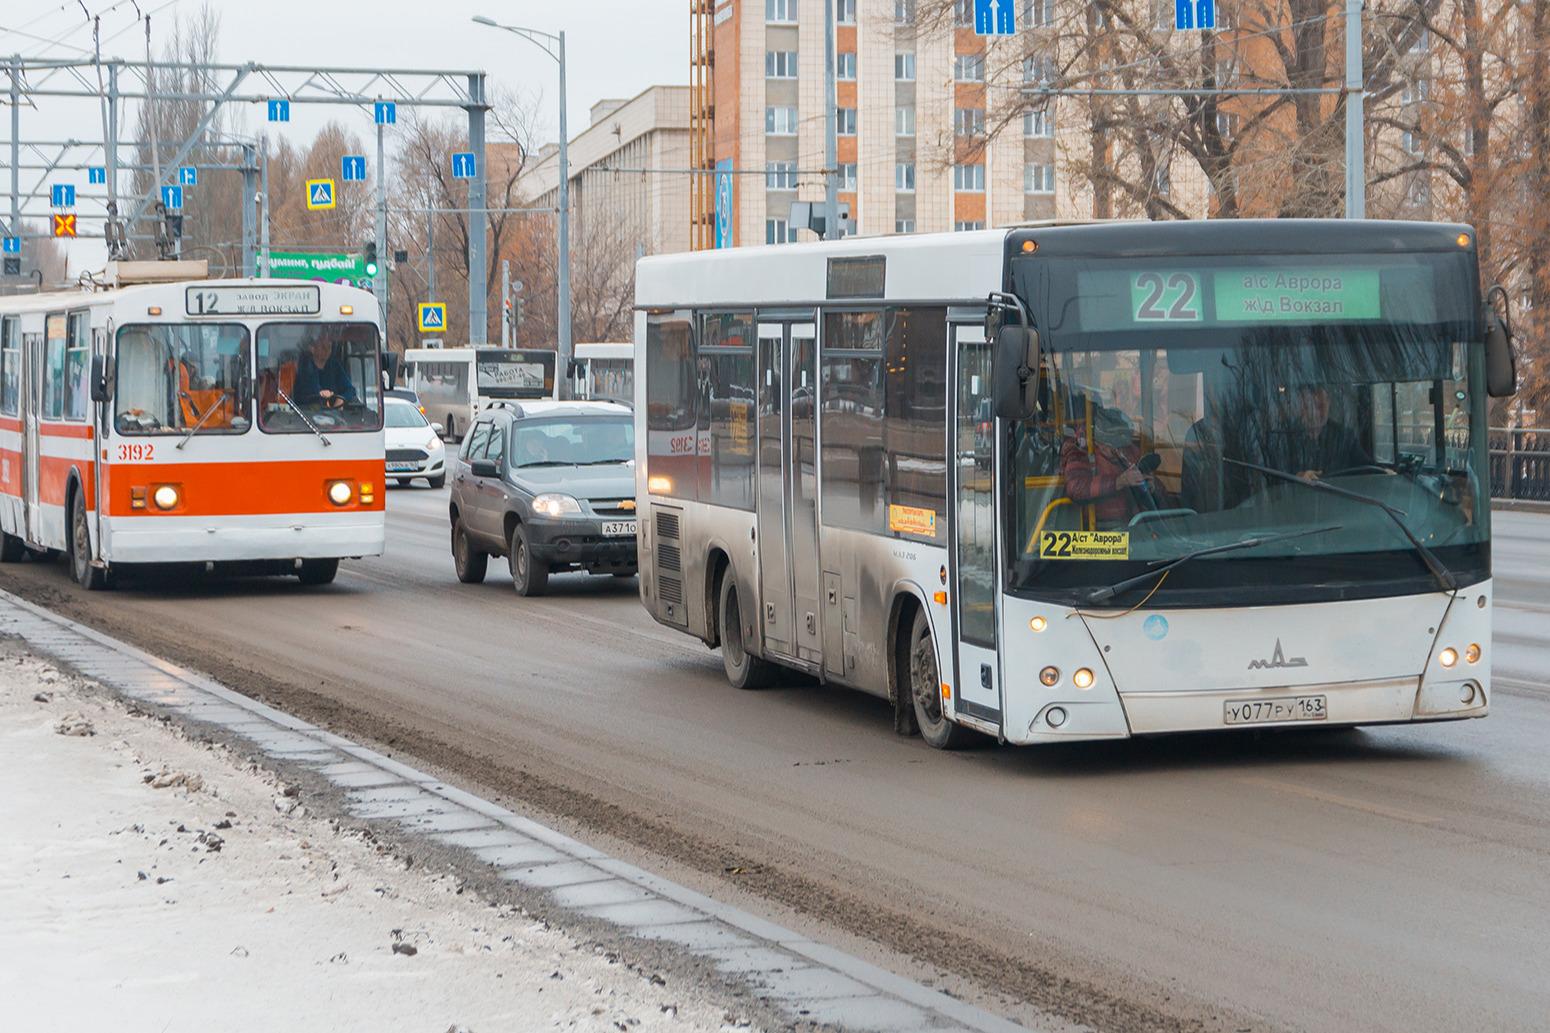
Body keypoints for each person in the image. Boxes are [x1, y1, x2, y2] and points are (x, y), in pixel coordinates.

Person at [1059, 405, 1157, 526]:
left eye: (1122, 445)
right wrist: (1119, 481)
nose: (1120, 450)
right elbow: (1076, 488)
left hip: (1134, 525)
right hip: (1096, 530)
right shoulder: (1080, 451)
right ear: (1100, 443)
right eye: (1115, 446)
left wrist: (1153, 488)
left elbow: (1159, 503)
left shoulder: (1130, 450)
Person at [1275, 384, 1373, 481]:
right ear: (1301, 406)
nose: (1317, 412)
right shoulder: (1285, 439)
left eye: (1322, 406)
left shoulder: (1344, 437)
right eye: (1312, 406)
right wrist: (1297, 476)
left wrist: (1384, 472)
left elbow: (1366, 468)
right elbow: (1274, 475)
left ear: (1329, 403)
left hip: (1340, 495)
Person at [292, 338, 358, 409]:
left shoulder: (334, 365)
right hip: (305, 413)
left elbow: (350, 389)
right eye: (323, 347)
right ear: (312, 349)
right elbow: (309, 390)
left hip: (334, 415)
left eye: (329, 347)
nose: (327, 350)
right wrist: (320, 393)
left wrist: (341, 399)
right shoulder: (304, 366)